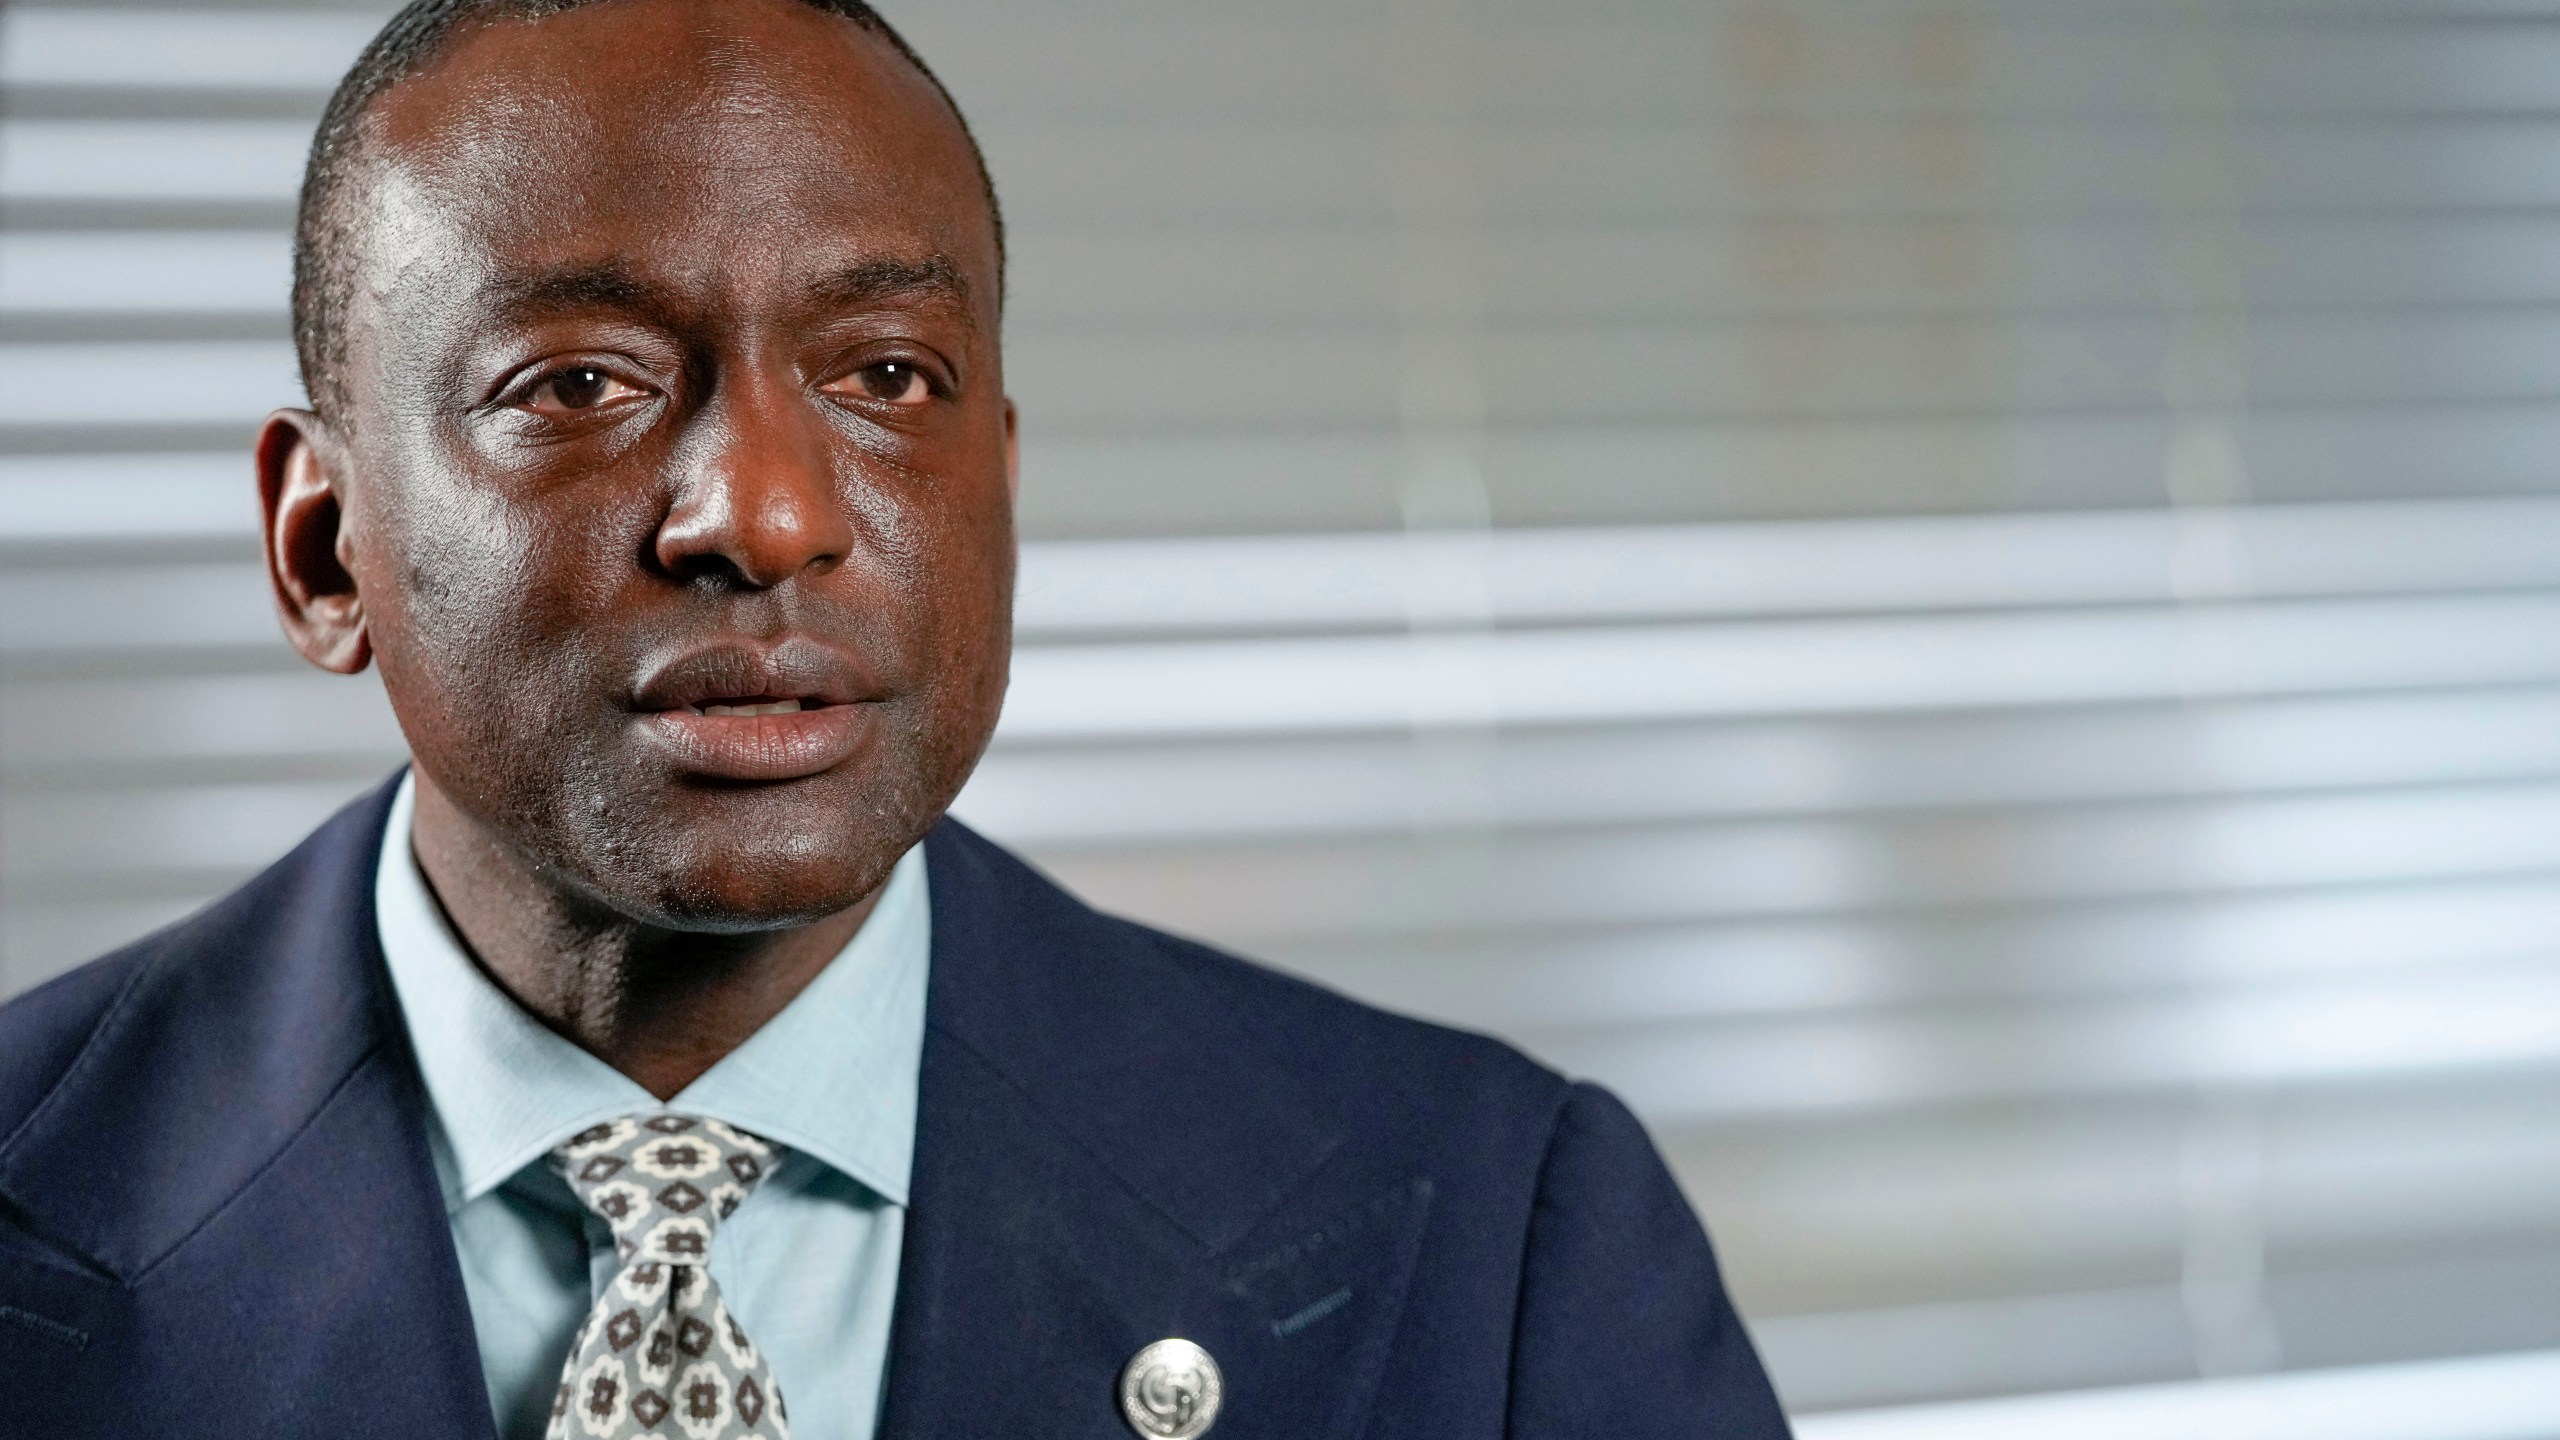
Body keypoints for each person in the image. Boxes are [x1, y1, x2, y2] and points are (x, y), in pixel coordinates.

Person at [0, 2, 1790, 1436]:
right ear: (323, 549)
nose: (767, 516)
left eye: (886, 376)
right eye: (582, 383)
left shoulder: (1494, 1240)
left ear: (1001, 486)